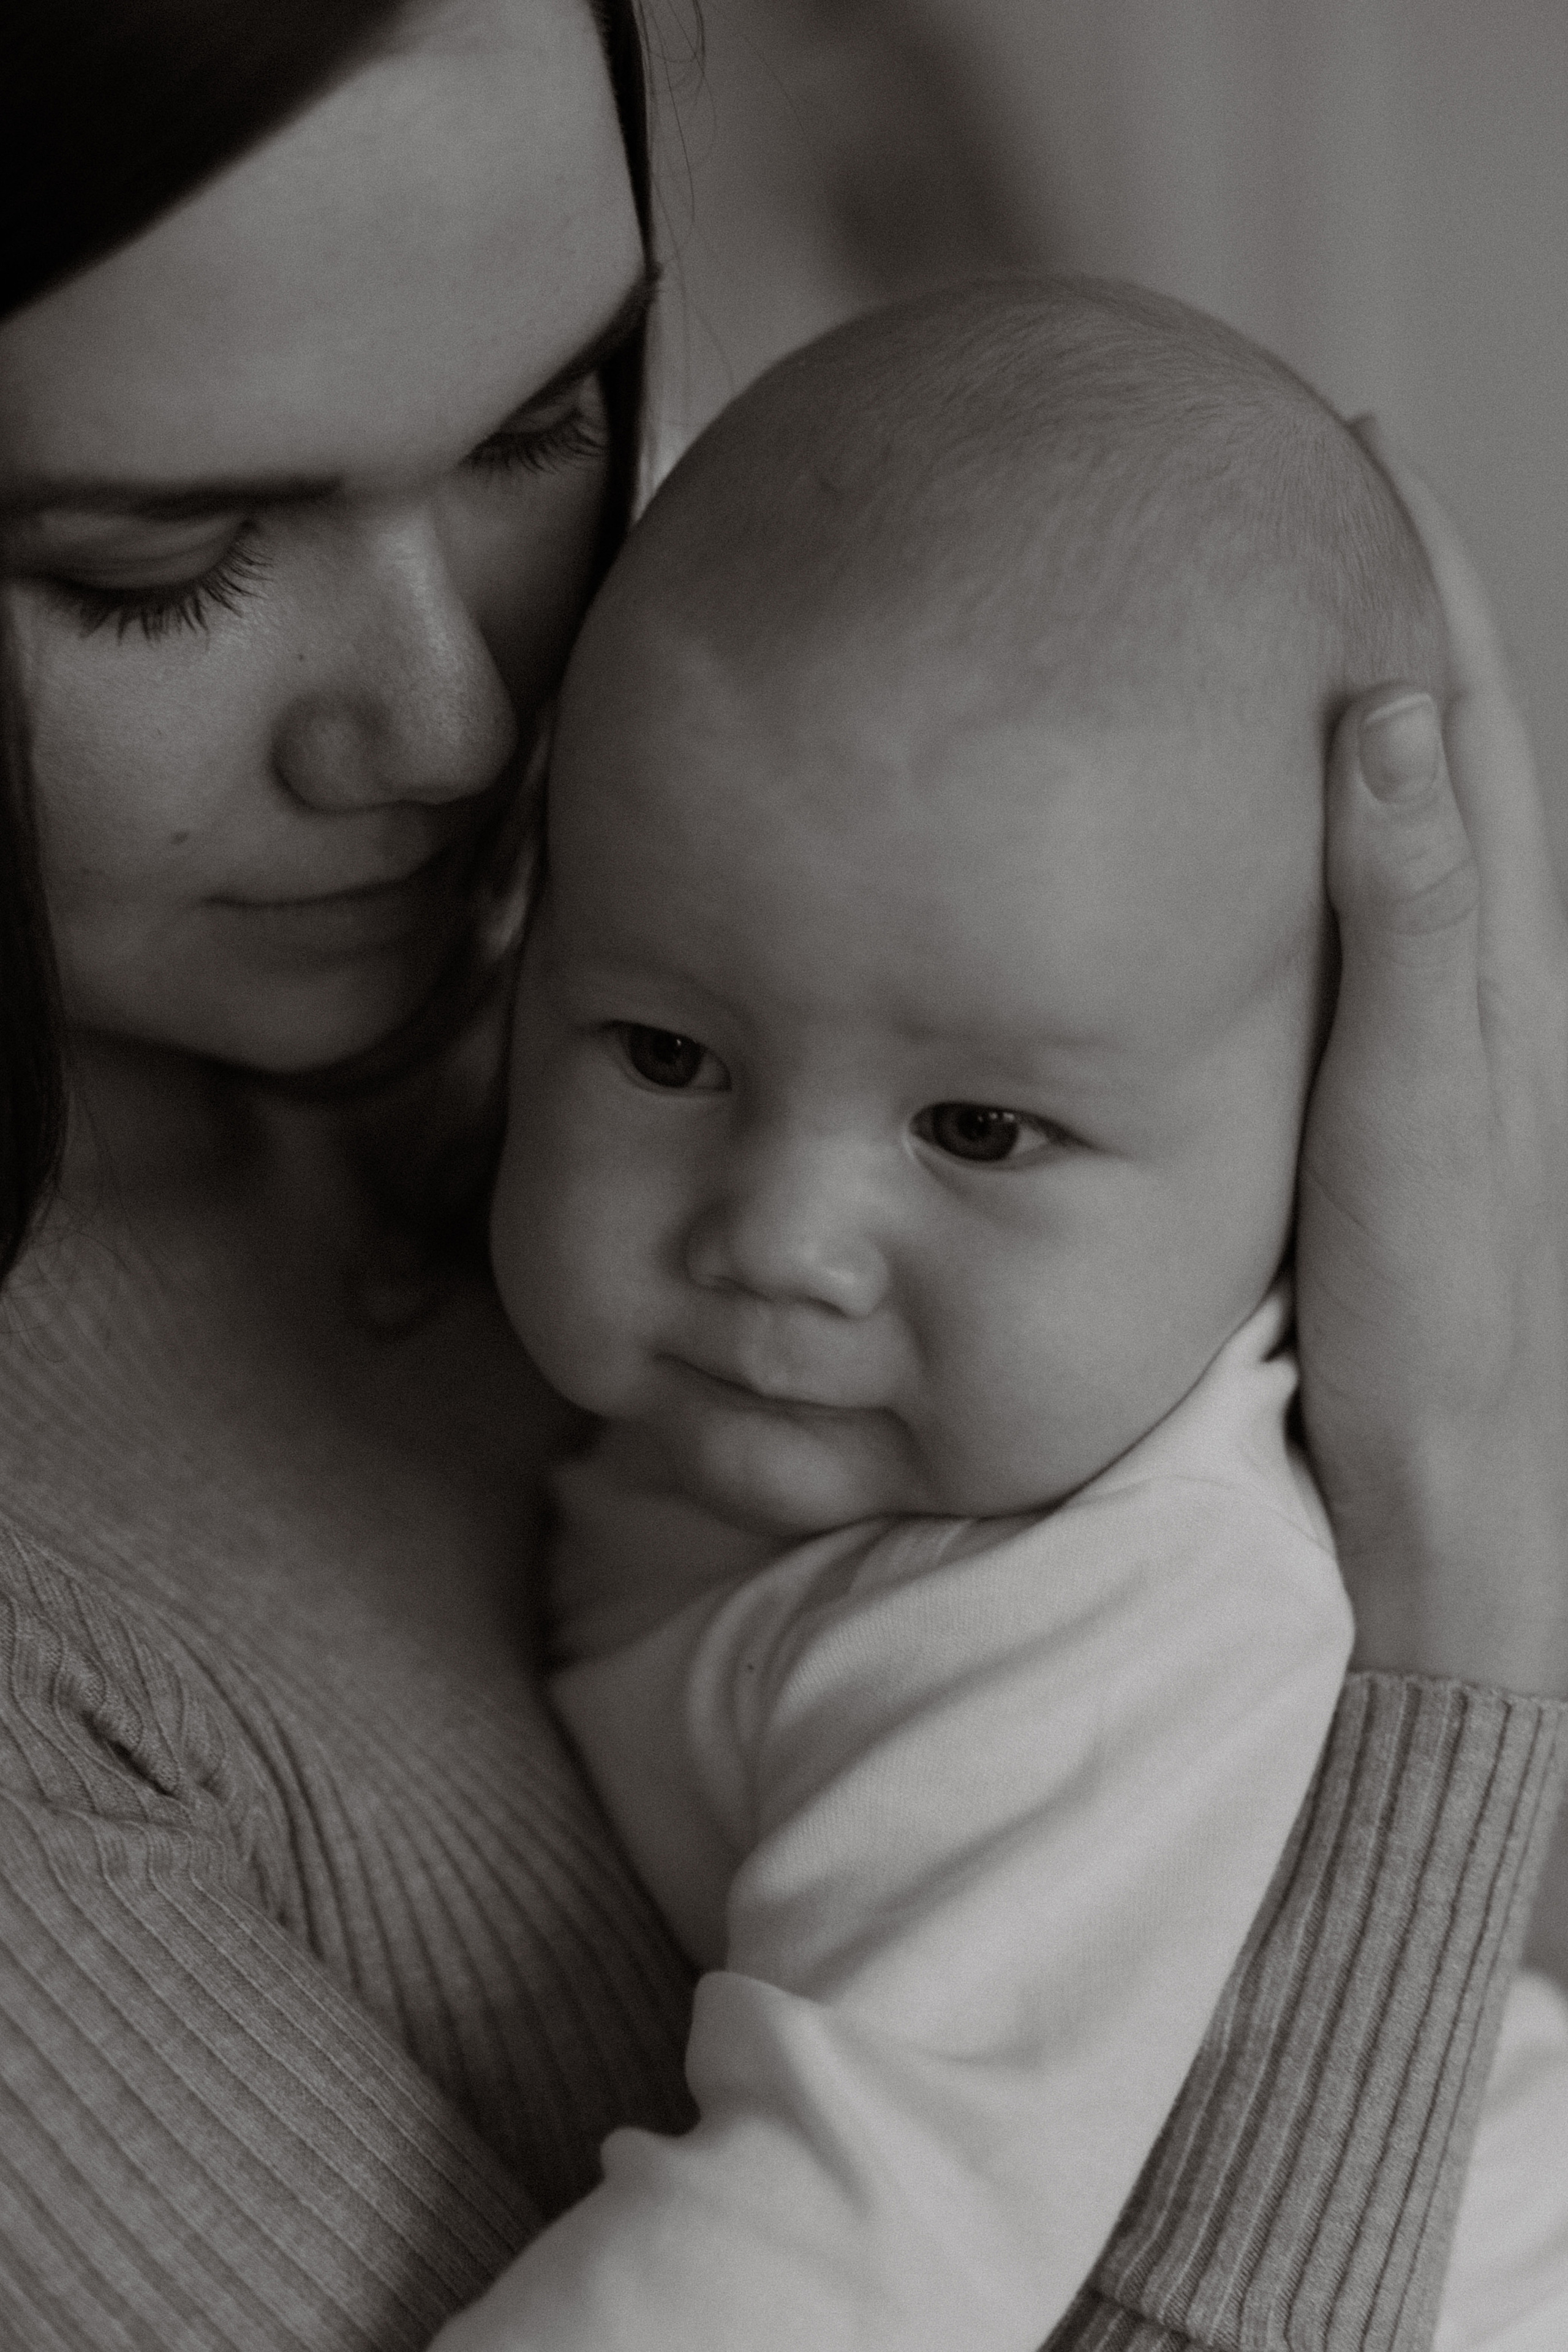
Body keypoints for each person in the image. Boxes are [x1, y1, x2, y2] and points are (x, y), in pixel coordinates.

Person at [0, 5, 1562, 2350]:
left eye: (546, 429)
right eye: (164, 565)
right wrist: (1449, 1600)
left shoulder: (769, 928)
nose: (452, 735)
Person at [439, 277, 1477, 2351]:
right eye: (661, 1055)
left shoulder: (1108, 1622)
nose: (783, 1236)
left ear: (1317, 1141)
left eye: (982, 1128)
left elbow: (835, 2257)